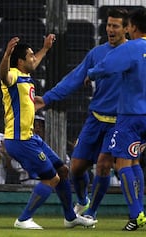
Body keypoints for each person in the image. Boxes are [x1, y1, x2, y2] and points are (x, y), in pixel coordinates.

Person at [34, 8, 129, 222]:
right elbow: (75, 77)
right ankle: (84, 200)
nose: (110, 29)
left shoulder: (132, 53)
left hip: (119, 121)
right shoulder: (97, 53)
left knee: (104, 165)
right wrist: (47, 98)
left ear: (126, 29)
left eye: (115, 26)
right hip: (95, 118)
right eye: (108, 25)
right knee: (76, 168)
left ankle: (91, 212)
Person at [0, 36, 97, 230]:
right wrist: (6, 55)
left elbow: (35, 61)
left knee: (62, 170)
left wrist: (44, 48)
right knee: (52, 178)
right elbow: (3, 75)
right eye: (30, 56)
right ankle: (23, 219)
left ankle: (70, 217)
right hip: (19, 140)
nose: (34, 59)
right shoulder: (13, 75)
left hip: (30, 137)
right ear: (20, 61)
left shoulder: (26, 77)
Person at [87, 8, 146, 231]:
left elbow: (107, 65)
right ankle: (139, 209)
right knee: (134, 162)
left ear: (132, 27)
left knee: (122, 162)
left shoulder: (132, 47)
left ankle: (136, 215)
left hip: (131, 115)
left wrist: (91, 73)